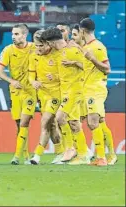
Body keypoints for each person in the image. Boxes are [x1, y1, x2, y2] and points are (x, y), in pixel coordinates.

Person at [41, 27, 90, 164]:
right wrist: (54, 76)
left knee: (60, 117)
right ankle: (83, 155)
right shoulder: (59, 52)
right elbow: (63, 71)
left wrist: (74, 62)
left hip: (75, 90)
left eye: (48, 43)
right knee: (74, 123)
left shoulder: (73, 50)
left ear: (52, 42)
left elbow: (88, 67)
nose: (48, 46)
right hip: (65, 91)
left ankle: (70, 149)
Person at [0, 23, 36, 165]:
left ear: (24, 35)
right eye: (12, 34)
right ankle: (26, 155)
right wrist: (11, 81)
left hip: (30, 91)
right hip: (15, 92)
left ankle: (16, 157)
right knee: (19, 124)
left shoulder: (35, 48)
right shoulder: (8, 50)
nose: (13, 37)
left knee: (24, 121)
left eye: (16, 34)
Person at [71, 23, 117, 165]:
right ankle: (108, 155)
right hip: (87, 89)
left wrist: (92, 59)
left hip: (95, 89)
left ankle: (101, 157)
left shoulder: (97, 47)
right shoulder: (87, 47)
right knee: (99, 122)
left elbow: (107, 69)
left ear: (83, 31)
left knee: (92, 122)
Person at [29, 30, 64, 165]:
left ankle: (37, 155)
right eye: (36, 46)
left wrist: (55, 77)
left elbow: (67, 75)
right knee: (52, 125)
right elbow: (31, 75)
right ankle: (60, 153)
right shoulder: (34, 56)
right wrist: (33, 82)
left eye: (41, 46)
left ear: (48, 44)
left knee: (45, 121)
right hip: (42, 95)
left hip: (56, 94)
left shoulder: (57, 55)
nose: (38, 49)